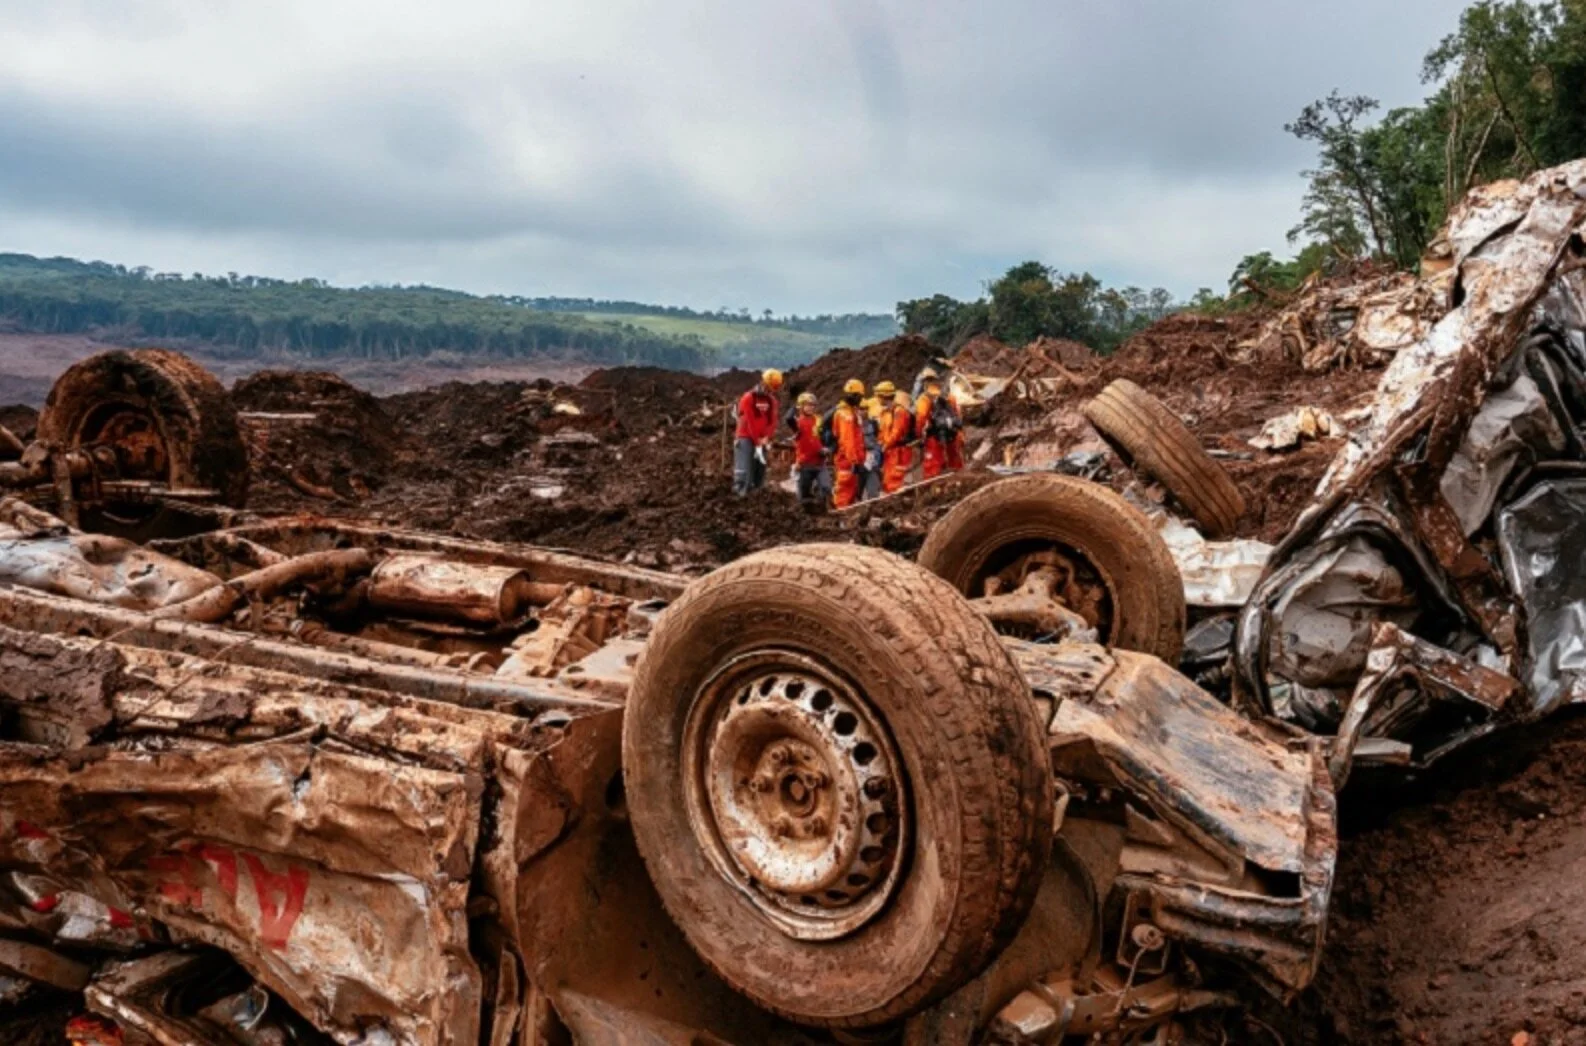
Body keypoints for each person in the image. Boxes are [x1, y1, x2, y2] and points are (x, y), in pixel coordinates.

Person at [733, 369, 782, 495]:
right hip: (745, 437)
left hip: (762, 439)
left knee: (760, 470)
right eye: (770, 387)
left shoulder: (772, 401)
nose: (770, 391)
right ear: (764, 382)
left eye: (773, 389)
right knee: (744, 470)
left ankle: (756, 498)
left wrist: (766, 437)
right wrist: (757, 441)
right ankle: (741, 495)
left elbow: (772, 422)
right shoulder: (748, 398)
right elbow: (749, 421)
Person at [915, 368, 964, 478]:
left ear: (924, 382)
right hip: (953, 435)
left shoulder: (925, 398)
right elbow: (958, 415)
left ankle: (935, 492)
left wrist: (919, 436)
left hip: (935, 438)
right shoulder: (948, 396)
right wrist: (960, 435)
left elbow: (921, 419)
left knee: (933, 471)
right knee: (956, 468)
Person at [830, 379, 867, 508]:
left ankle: (846, 521)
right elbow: (848, 442)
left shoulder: (848, 412)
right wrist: (855, 461)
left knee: (850, 493)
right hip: (847, 462)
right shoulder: (847, 416)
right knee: (844, 494)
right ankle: (840, 521)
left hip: (850, 461)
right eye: (860, 396)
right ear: (854, 395)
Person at [788, 391, 827, 506]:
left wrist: (825, 448)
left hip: (820, 462)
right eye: (808, 405)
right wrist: (795, 406)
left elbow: (823, 437)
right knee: (803, 498)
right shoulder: (797, 423)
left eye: (812, 405)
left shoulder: (818, 420)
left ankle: (823, 510)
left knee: (825, 488)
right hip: (804, 464)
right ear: (801, 406)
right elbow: (788, 418)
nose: (811, 407)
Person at [875, 380, 913, 493]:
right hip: (889, 453)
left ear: (884, 396)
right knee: (887, 481)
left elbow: (896, 433)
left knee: (896, 481)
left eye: (878, 395)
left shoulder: (899, 412)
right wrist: (880, 443)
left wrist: (885, 445)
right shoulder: (885, 413)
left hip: (898, 452)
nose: (877, 398)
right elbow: (882, 432)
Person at [860, 394, 884, 501]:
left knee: (873, 489)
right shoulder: (851, 424)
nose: (863, 411)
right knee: (855, 490)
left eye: (865, 409)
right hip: (857, 460)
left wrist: (877, 456)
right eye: (861, 409)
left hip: (871, 459)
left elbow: (878, 440)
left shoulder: (873, 423)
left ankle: (873, 505)